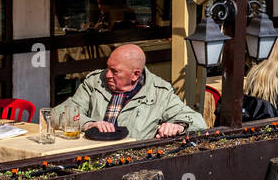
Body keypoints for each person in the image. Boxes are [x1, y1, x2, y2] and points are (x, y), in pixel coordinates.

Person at [52, 44, 206, 140]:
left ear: (135, 75)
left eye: (115, 71)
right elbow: (58, 113)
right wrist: (88, 124)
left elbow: (197, 121)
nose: (107, 75)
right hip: (90, 157)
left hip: (134, 164)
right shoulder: (95, 82)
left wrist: (178, 126)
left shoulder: (159, 92)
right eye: (108, 67)